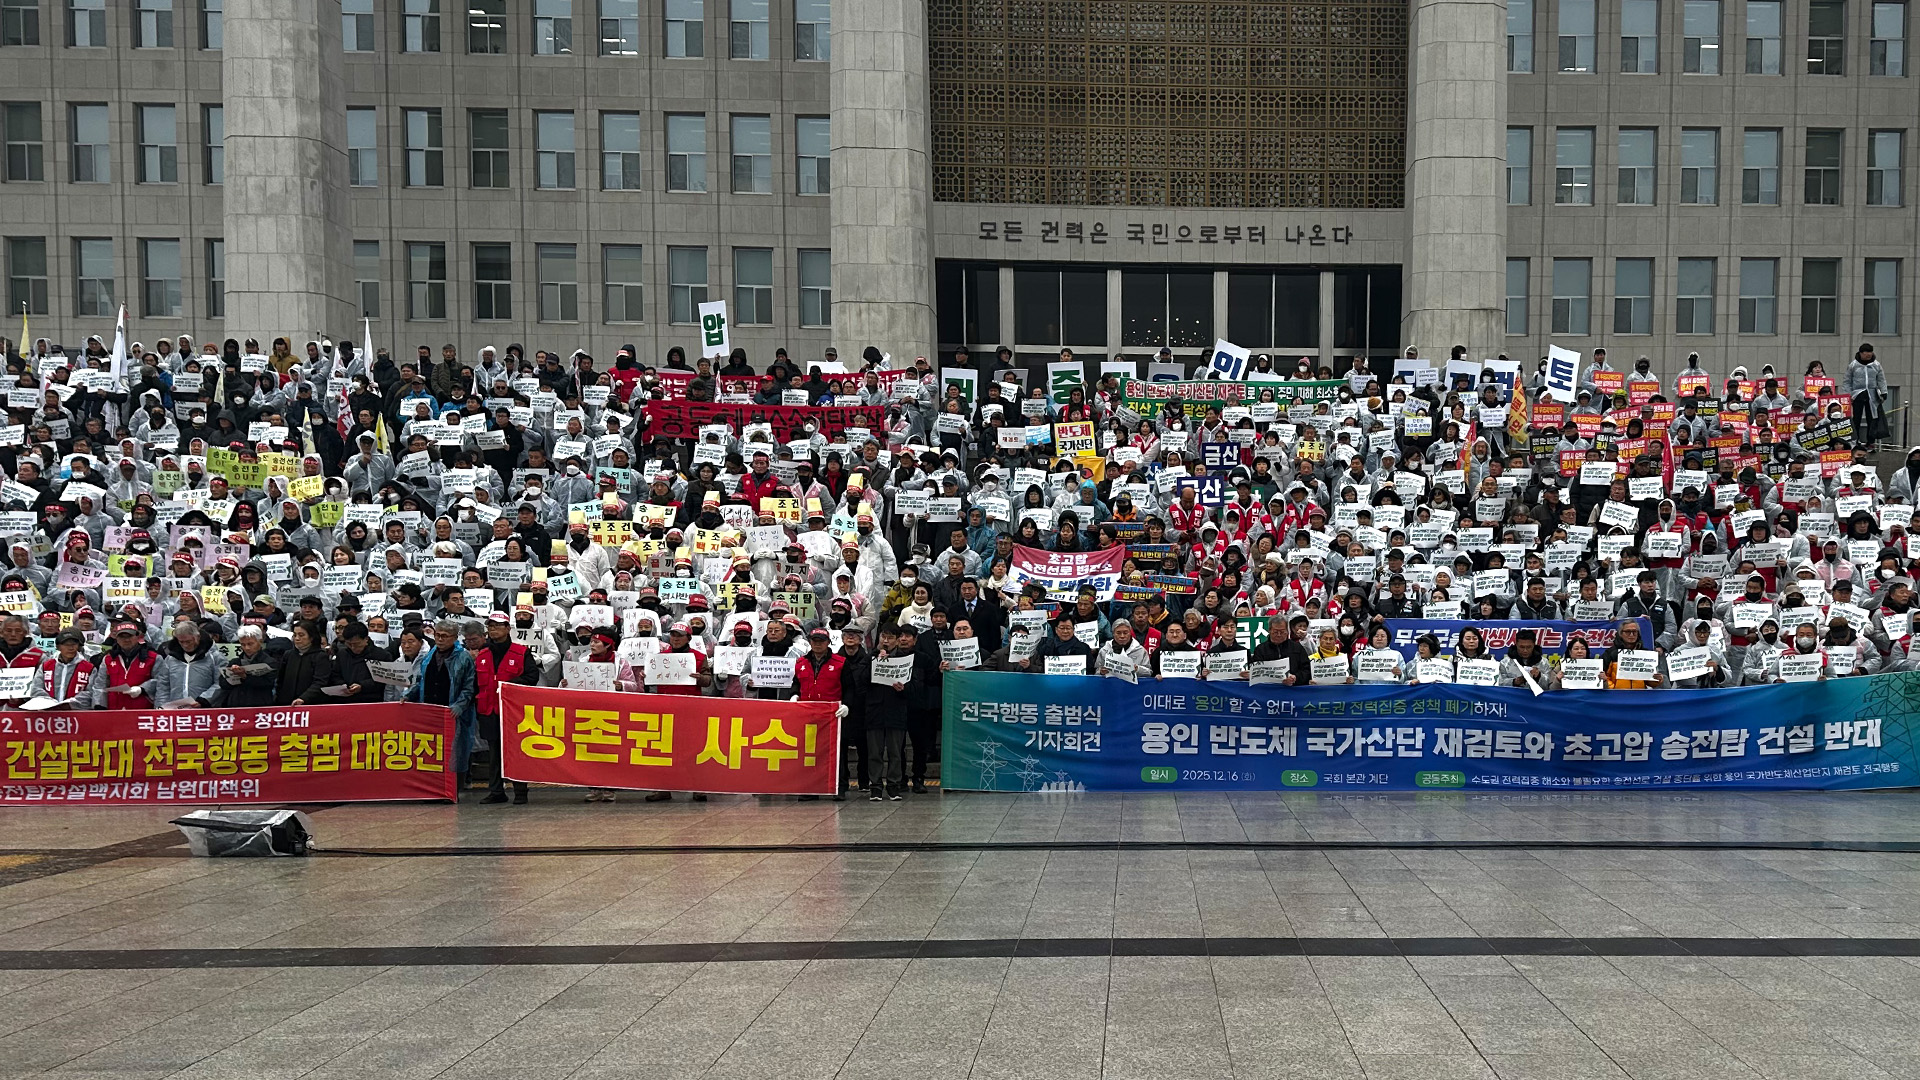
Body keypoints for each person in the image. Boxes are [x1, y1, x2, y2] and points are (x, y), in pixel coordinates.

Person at [471, 612, 538, 805]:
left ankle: (520, 792)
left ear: (508, 628)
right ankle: (496, 791)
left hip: (514, 713)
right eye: (490, 626)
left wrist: (509, 685)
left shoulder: (521, 652)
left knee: (516, 752)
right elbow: (475, 683)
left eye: (498, 626)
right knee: (494, 753)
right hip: (489, 710)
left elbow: (531, 677)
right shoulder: (482, 655)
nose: (493, 629)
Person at [409, 619, 479, 798]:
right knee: (432, 749)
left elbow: (469, 687)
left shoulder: (463, 657)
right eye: (437, 635)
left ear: (455, 638)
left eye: (445, 636)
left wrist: (459, 705)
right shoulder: (430, 654)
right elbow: (421, 681)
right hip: (431, 710)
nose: (440, 639)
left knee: (456, 751)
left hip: (454, 712)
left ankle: (455, 788)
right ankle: (433, 787)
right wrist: (409, 695)